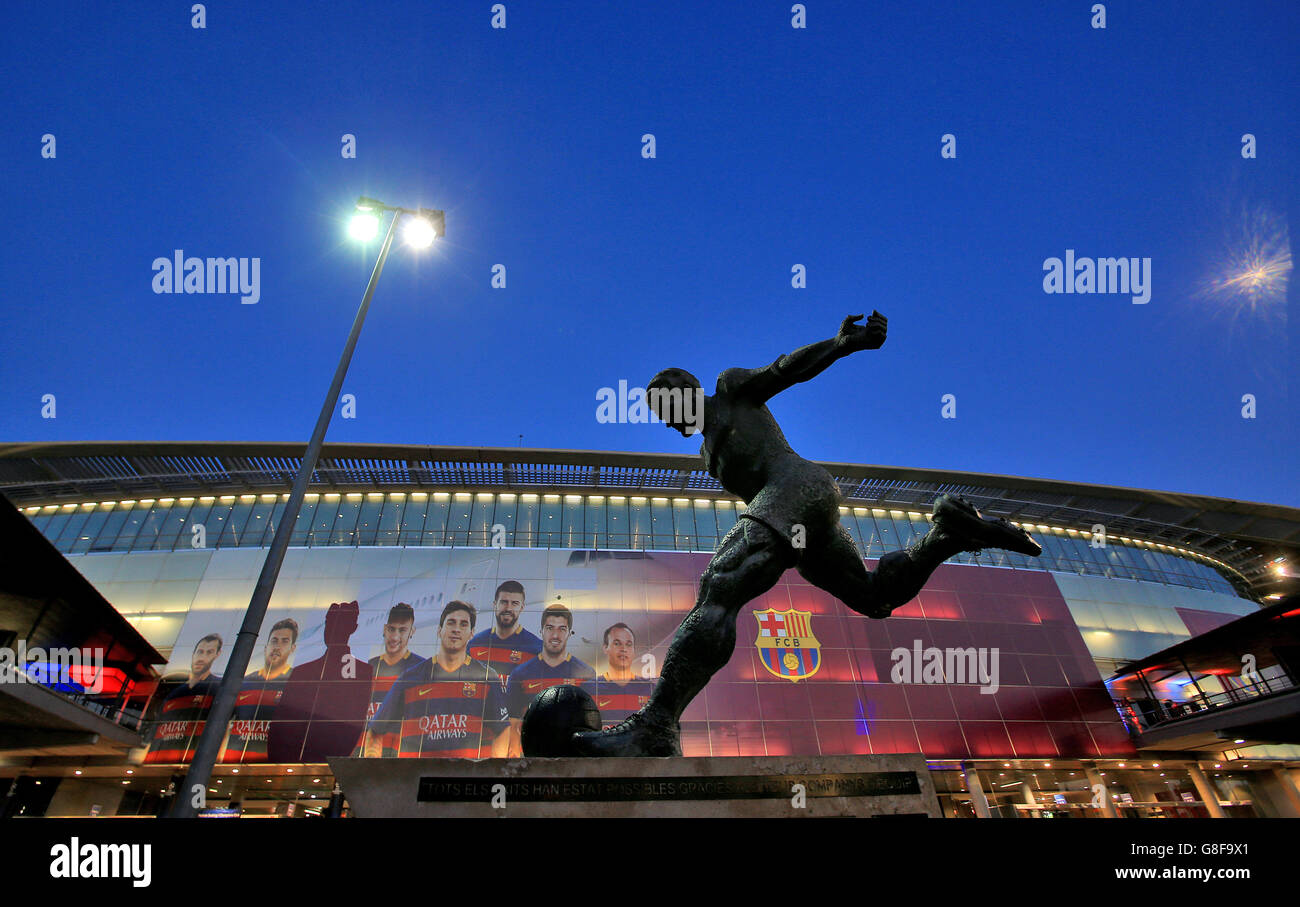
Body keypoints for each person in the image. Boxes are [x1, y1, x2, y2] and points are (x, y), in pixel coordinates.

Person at [572, 313, 1042, 756]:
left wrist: (840, 345)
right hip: (800, 520)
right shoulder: (706, 451)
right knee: (875, 598)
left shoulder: (730, 389)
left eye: (665, 409)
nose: (668, 423)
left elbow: (784, 371)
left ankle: (655, 727)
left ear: (683, 391)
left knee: (720, 585)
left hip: (797, 490)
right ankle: (948, 534)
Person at [364, 601, 510, 758]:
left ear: (471, 633)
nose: (456, 629)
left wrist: (493, 774)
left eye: (463, 624)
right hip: (416, 779)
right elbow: (375, 731)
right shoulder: (409, 678)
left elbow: (502, 730)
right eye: (451, 623)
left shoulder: (487, 677)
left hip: (463, 779)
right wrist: (374, 774)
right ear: (439, 630)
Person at [504, 603, 596, 755]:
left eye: (562, 629)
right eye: (550, 628)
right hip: (531, 761)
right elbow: (513, 725)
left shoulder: (586, 674)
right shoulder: (519, 674)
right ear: (541, 631)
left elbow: (590, 727)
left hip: (570, 761)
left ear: (569, 633)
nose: (555, 635)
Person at [221, 619, 298, 763]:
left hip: (279, 763)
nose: (277, 647)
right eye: (274, 641)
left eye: (284, 642)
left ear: (292, 648)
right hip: (234, 763)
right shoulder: (244, 682)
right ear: (266, 646)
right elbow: (224, 726)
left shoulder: (298, 683)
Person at [146, 633, 223, 764]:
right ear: (193, 654)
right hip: (158, 759)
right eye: (200, 652)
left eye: (209, 653)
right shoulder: (173, 693)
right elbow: (154, 728)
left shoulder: (219, 688)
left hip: (195, 761)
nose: (202, 658)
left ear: (217, 655)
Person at [467, 581, 543, 678]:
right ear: (495, 605)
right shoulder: (475, 644)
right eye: (504, 602)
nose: (508, 608)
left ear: (522, 607)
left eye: (514, 603)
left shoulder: (537, 648)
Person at [365, 603, 425, 722]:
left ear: (411, 632)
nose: (395, 637)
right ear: (385, 629)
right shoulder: (368, 668)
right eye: (392, 629)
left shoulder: (422, 669)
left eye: (402, 630)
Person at [594, 623, 656, 728]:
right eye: (617, 643)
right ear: (605, 648)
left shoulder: (649, 688)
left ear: (634, 650)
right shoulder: (589, 688)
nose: (624, 649)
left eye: (628, 644)